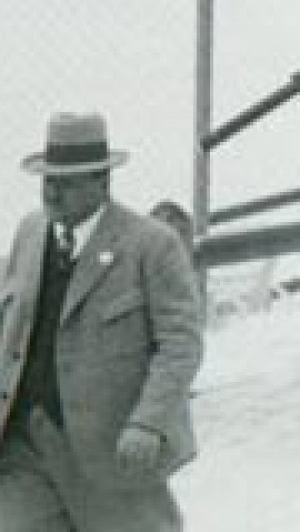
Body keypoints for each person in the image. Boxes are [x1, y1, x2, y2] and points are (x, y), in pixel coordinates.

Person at [0, 113, 202, 532]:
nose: (52, 192)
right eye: (47, 180)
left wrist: (148, 422)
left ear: (102, 183)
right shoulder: (30, 233)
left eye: (67, 181)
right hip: (25, 448)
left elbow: (180, 344)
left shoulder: (151, 246)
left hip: (114, 452)